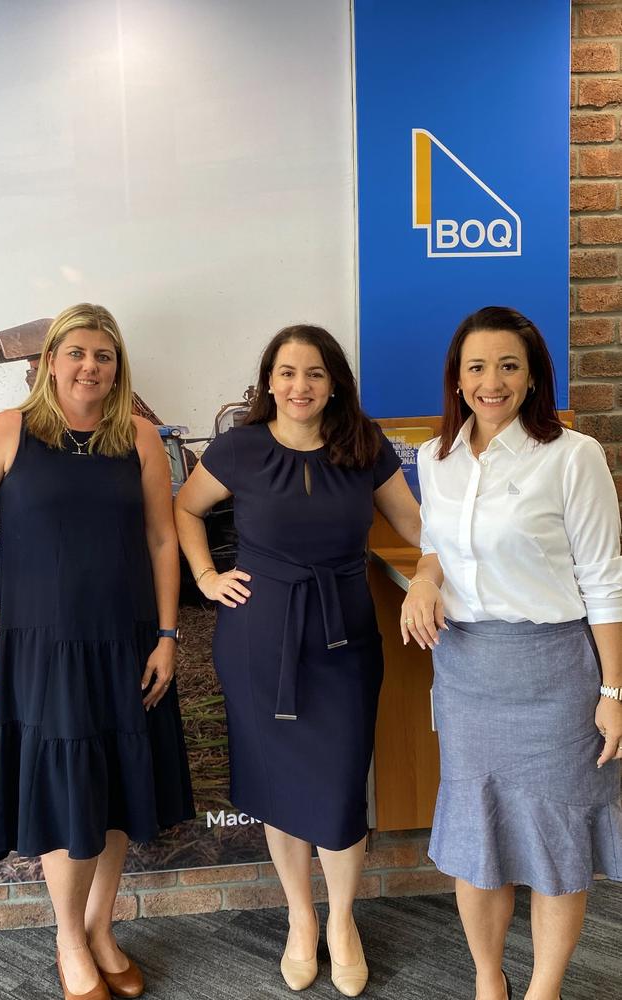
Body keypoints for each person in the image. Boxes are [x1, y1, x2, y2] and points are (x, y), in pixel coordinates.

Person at [175, 324, 420, 996]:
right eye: (286, 372)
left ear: (334, 381)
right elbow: (185, 508)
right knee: (279, 786)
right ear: (269, 381)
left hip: (342, 635)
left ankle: (343, 920)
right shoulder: (240, 448)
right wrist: (204, 577)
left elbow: (413, 523)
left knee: (341, 788)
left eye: (313, 373)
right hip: (257, 638)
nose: (300, 386)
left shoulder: (363, 445)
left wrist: (435, 569)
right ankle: (299, 919)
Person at [0, 304, 194, 1000]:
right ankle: (68, 940)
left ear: (117, 365)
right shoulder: (9, 432)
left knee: (118, 786)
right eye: (76, 352)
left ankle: (100, 927)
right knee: (68, 790)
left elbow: (163, 540)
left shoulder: (139, 437)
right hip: (45, 649)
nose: (89, 366)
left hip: (128, 639)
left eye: (103, 354)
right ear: (50, 362)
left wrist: (166, 635)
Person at [401, 306, 622, 1000]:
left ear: (532, 379)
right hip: (467, 671)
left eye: (508, 366)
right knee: (478, 841)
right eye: (476, 367)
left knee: (559, 846)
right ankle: (489, 981)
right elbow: (435, 547)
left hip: (555, 675)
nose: (490, 381)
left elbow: (605, 579)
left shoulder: (573, 456)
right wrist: (424, 581)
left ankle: (545, 988)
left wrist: (614, 691)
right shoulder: (434, 458)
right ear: (456, 379)